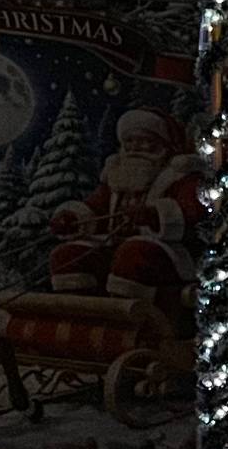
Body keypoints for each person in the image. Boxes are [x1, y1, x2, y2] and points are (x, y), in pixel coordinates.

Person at [50, 108, 205, 313]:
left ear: (162, 145)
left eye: (143, 141)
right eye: (129, 142)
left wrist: (154, 216)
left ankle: (132, 317)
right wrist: (73, 218)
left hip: (164, 251)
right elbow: (95, 207)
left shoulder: (180, 175)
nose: (135, 148)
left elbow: (192, 211)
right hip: (114, 243)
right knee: (69, 254)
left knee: (134, 255)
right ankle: (79, 311)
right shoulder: (118, 176)